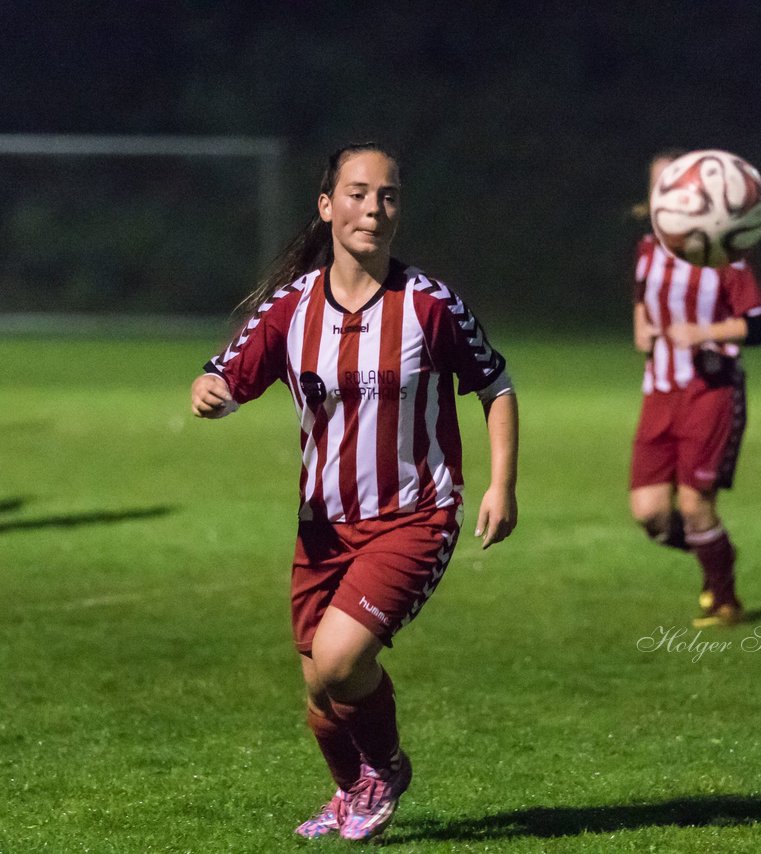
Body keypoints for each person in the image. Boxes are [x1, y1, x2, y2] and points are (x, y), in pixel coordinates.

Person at [191, 143, 518, 840]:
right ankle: (350, 792)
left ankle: (387, 768)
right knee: (317, 685)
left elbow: (496, 384)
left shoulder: (428, 306)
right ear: (327, 205)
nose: (374, 207)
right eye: (360, 192)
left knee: (341, 661)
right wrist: (211, 393)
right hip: (323, 526)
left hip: (414, 516)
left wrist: (502, 485)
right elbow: (225, 374)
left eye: (389, 195)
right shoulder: (291, 308)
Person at [630, 151, 761, 627]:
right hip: (659, 390)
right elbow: (641, 302)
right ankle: (717, 554)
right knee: (649, 512)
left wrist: (704, 333)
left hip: (710, 390)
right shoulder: (647, 248)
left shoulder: (722, 252)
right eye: (659, 188)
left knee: (695, 504)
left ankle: (726, 599)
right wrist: (641, 330)